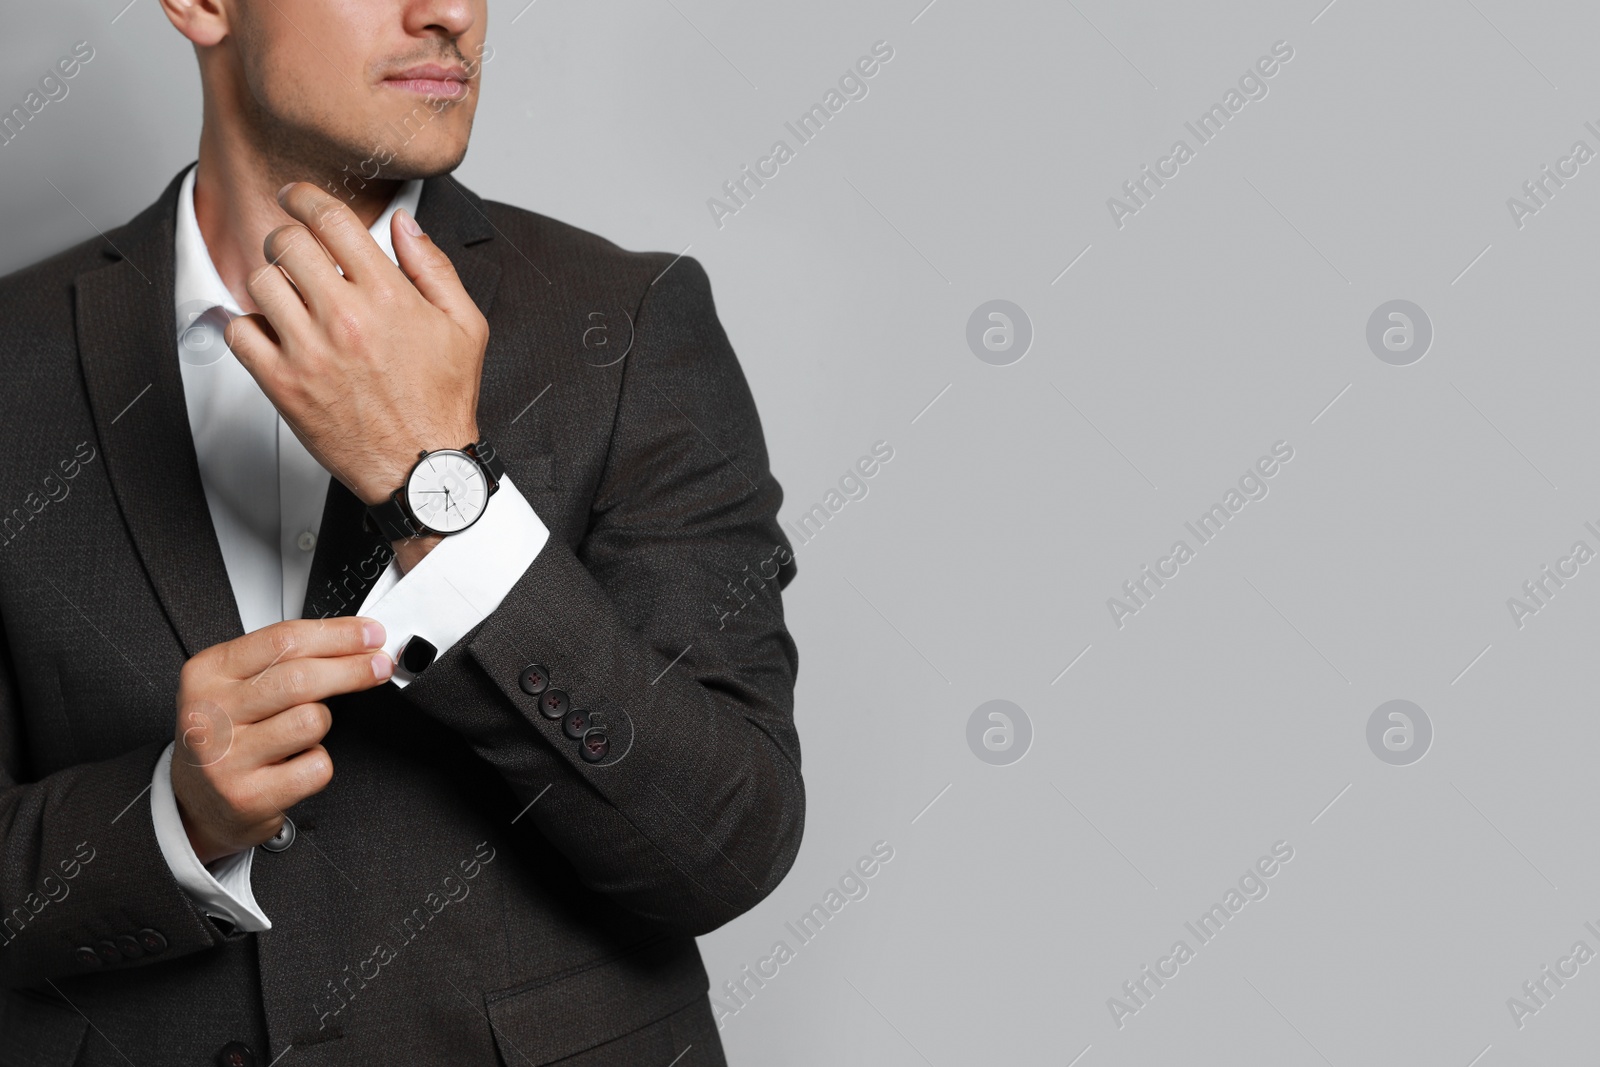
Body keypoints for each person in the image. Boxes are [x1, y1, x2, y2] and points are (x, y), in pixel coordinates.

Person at [0, 1, 802, 1063]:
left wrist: (436, 486)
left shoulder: (630, 321)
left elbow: (724, 843)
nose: (452, 12)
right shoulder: (13, 365)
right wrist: (168, 822)